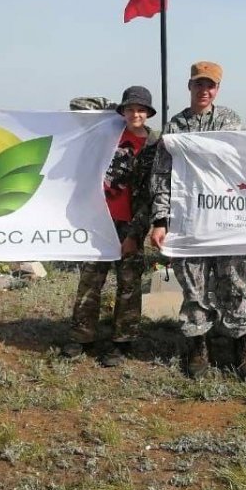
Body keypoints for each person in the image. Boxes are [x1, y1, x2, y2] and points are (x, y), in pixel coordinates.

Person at [149, 62, 246, 379]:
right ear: (190, 86)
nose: (204, 90)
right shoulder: (176, 127)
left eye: (210, 85)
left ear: (217, 89)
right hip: (189, 221)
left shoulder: (230, 122)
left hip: (225, 221)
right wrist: (160, 219)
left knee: (235, 284)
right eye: (199, 84)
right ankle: (198, 348)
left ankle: (242, 349)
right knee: (194, 289)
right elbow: (161, 175)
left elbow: (243, 167)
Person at [64, 86, 161, 367]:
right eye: (130, 109)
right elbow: (77, 103)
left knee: (128, 283)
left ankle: (122, 341)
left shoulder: (155, 143)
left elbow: (151, 193)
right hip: (99, 219)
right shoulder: (109, 131)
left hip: (131, 222)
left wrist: (134, 233)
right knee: (90, 280)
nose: (135, 114)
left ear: (149, 113)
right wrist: (110, 109)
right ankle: (82, 335)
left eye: (141, 110)